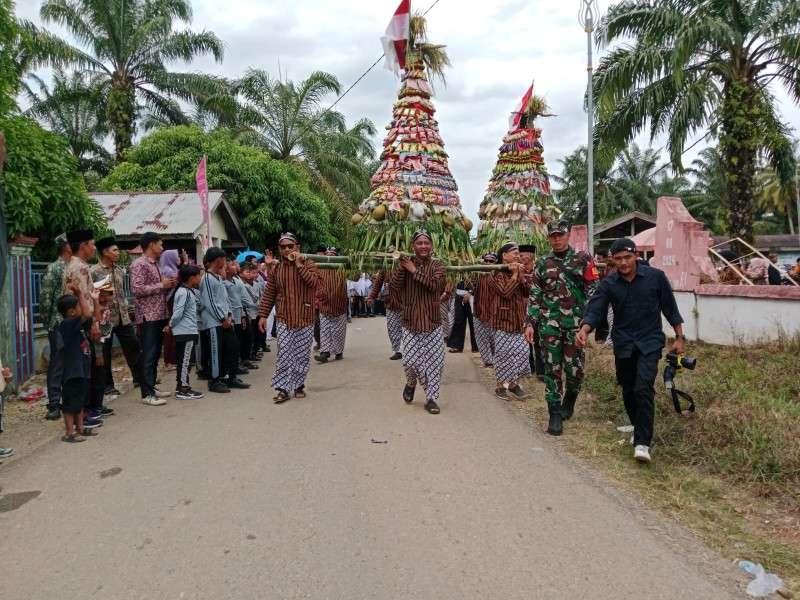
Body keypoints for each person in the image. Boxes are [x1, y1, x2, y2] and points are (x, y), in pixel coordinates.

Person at [577, 238, 686, 464]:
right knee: (628, 387)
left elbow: (670, 308)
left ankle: (642, 442)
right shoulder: (609, 283)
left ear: (636, 256)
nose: (624, 262)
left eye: (627, 257)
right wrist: (585, 330)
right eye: (618, 259)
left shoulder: (656, 278)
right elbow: (596, 309)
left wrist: (679, 337)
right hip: (624, 343)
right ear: (612, 261)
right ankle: (638, 424)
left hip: (650, 342)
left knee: (643, 387)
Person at [525, 220, 599, 436]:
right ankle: (555, 414)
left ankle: (569, 402)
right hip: (549, 326)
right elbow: (535, 295)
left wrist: (588, 324)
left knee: (575, 370)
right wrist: (530, 323)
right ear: (548, 238)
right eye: (553, 235)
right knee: (551, 369)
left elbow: (594, 291)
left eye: (560, 234)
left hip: (576, 327)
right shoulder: (542, 263)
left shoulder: (583, 259)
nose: (557, 239)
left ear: (568, 236)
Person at [257, 233, 319, 403]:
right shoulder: (277, 269)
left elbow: (313, 283)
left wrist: (300, 266)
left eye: (290, 246)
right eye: (283, 247)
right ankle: (283, 388)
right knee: (284, 353)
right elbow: (270, 293)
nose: (286, 250)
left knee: (301, 354)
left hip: (305, 317)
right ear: (279, 249)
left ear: (297, 248)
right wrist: (263, 315)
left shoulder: (309, 263)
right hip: (284, 318)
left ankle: (299, 385)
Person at [390, 229, 446, 415]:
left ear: (431, 246)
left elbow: (434, 285)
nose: (423, 246)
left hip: (433, 323)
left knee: (435, 362)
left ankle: (431, 398)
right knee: (411, 361)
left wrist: (413, 270)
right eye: (419, 243)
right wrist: (401, 266)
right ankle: (411, 382)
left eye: (426, 243)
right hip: (410, 322)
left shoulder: (439, 266)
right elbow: (394, 287)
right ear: (412, 246)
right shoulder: (405, 265)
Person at [62, 229, 105, 430]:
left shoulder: (76, 266)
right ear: (84, 246)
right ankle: (83, 413)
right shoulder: (78, 268)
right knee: (84, 369)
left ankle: (84, 411)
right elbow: (82, 301)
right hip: (82, 323)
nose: (94, 247)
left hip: (80, 323)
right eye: (92, 244)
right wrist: (93, 323)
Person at [89, 236, 142, 395]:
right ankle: (108, 385)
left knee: (132, 344)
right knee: (105, 351)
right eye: (115, 250)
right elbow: (91, 294)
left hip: (122, 316)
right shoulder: (94, 271)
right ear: (105, 252)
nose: (118, 253)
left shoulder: (119, 270)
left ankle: (140, 378)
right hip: (105, 317)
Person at [129, 232, 174, 406]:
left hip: (160, 313)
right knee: (148, 354)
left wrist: (169, 284)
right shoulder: (139, 264)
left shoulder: (156, 264)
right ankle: (146, 393)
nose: (162, 248)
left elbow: (159, 287)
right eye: (160, 244)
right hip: (148, 315)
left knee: (155, 354)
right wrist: (161, 285)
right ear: (152, 245)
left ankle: (152, 386)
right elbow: (137, 290)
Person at [56, 284, 102, 443]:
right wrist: (80, 294)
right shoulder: (66, 325)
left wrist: (95, 301)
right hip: (72, 372)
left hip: (82, 370)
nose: (82, 308)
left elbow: (95, 317)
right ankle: (69, 432)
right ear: (71, 312)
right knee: (70, 404)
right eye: (79, 305)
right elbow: (86, 315)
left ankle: (80, 429)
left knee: (79, 402)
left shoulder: (78, 323)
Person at [200, 247, 249, 393]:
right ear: (218, 260)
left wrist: (228, 315)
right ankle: (214, 380)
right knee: (216, 350)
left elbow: (224, 299)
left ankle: (230, 376)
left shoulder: (217, 277)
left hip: (224, 320)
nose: (226, 263)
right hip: (214, 322)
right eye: (224, 259)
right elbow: (210, 302)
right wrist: (222, 319)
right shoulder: (207, 278)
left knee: (233, 346)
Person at [488, 242, 531, 399]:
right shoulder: (494, 273)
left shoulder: (519, 271)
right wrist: (514, 275)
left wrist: (521, 277)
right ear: (504, 256)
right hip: (502, 322)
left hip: (519, 321)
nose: (517, 256)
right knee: (503, 354)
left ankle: (514, 384)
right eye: (514, 253)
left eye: (518, 253)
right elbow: (505, 292)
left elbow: (527, 292)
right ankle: (500, 386)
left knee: (522, 353)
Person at [40, 234, 72, 421]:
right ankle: (53, 404)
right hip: (58, 324)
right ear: (67, 246)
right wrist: (49, 323)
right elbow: (45, 299)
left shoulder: (76, 267)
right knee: (57, 364)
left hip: (75, 323)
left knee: (73, 363)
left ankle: (69, 401)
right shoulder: (53, 269)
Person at [164, 264, 204, 399]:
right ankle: (183, 389)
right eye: (199, 276)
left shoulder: (186, 291)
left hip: (187, 330)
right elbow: (178, 313)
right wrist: (170, 325)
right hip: (185, 331)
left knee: (184, 360)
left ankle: (182, 386)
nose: (200, 278)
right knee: (185, 361)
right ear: (192, 278)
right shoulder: (185, 292)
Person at [367, 245, 404, 360]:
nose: (391, 255)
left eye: (393, 252)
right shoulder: (385, 268)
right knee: (392, 328)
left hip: (405, 303)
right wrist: (371, 297)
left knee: (407, 328)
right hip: (390, 302)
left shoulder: (405, 264)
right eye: (389, 253)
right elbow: (378, 283)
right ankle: (398, 350)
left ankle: (407, 349)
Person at [315, 247, 348, 363]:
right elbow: (314, 282)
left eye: (332, 255)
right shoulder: (319, 268)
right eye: (327, 255)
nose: (329, 257)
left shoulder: (342, 268)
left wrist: (351, 266)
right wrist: (319, 295)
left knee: (339, 331)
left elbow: (355, 277)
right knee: (324, 329)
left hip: (339, 305)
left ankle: (338, 352)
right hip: (324, 305)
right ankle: (324, 353)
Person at [472, 252, 497, 368]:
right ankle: (488, 361)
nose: (488, 263)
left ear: (496, 263)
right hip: (479, 310)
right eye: (486, 261)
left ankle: (496, 359)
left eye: (491, 261)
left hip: (494, 312)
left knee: (493, 338)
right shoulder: (478, 274)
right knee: (481, 337)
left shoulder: (498, 275)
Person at [447, 278, 478, 353]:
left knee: (473, 322)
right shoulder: (457, 269)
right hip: (459, 296)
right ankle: (456, 345)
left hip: (472, 297)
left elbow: (477, 278)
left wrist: (470, 292)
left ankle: (476, 346)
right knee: (458, 320)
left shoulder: (474, 268)